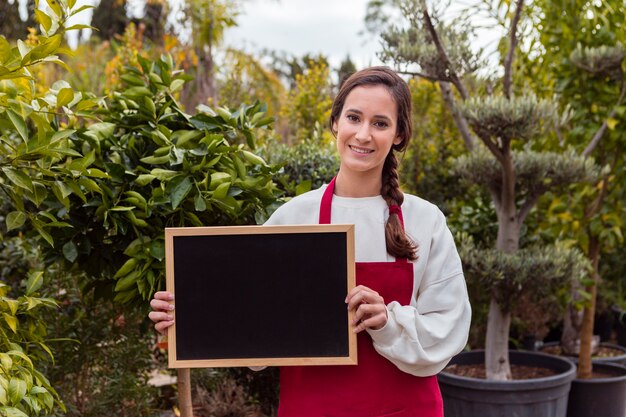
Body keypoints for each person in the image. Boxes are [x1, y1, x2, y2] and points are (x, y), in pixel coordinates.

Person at [149, 66, 471, 417]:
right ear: (335, 123)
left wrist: (388, 323)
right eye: (354, 117)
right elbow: (251, 321)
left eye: (380, 123)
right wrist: (190, 315)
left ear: (398, 135)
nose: (363, 134)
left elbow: (448, 329)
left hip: (405, 409)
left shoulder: (426, 221)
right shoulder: (293, 218)